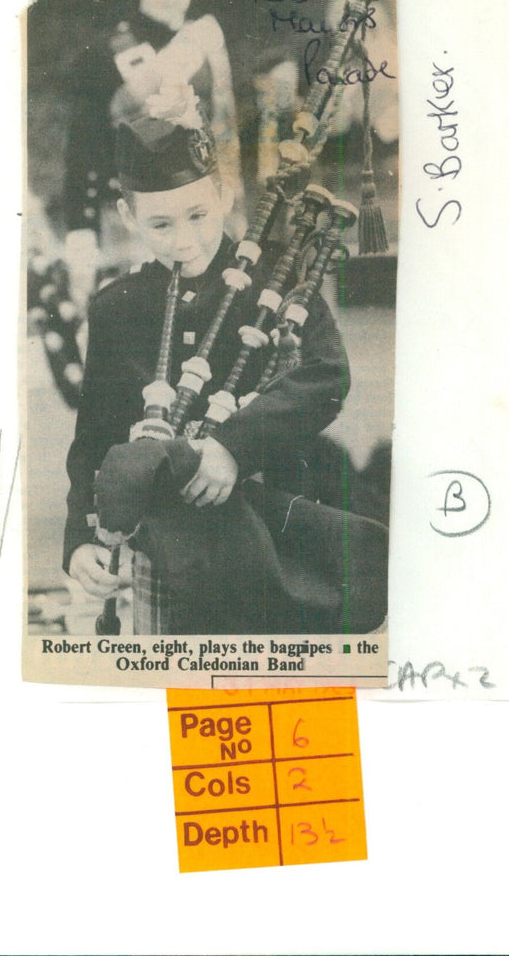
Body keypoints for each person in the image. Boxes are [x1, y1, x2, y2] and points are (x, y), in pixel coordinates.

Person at [63, 103, 372, 634]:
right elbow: (96, 436)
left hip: (269, 531)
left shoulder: (279, 272)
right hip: (162, 541)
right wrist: (81, 538)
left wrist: (233, 445)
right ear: (128, 215)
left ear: (225, 197)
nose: (184, 240)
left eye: (199, 216)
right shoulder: (117, 307)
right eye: (160, 223)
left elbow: (325, 376)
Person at [62, 0, 244, 316]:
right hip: (136, 217)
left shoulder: (206, 42)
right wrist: (80, 230)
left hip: (200, 211)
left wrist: (235, 212)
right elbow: (84, 142)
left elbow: (223, 133)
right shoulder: (111, 49)